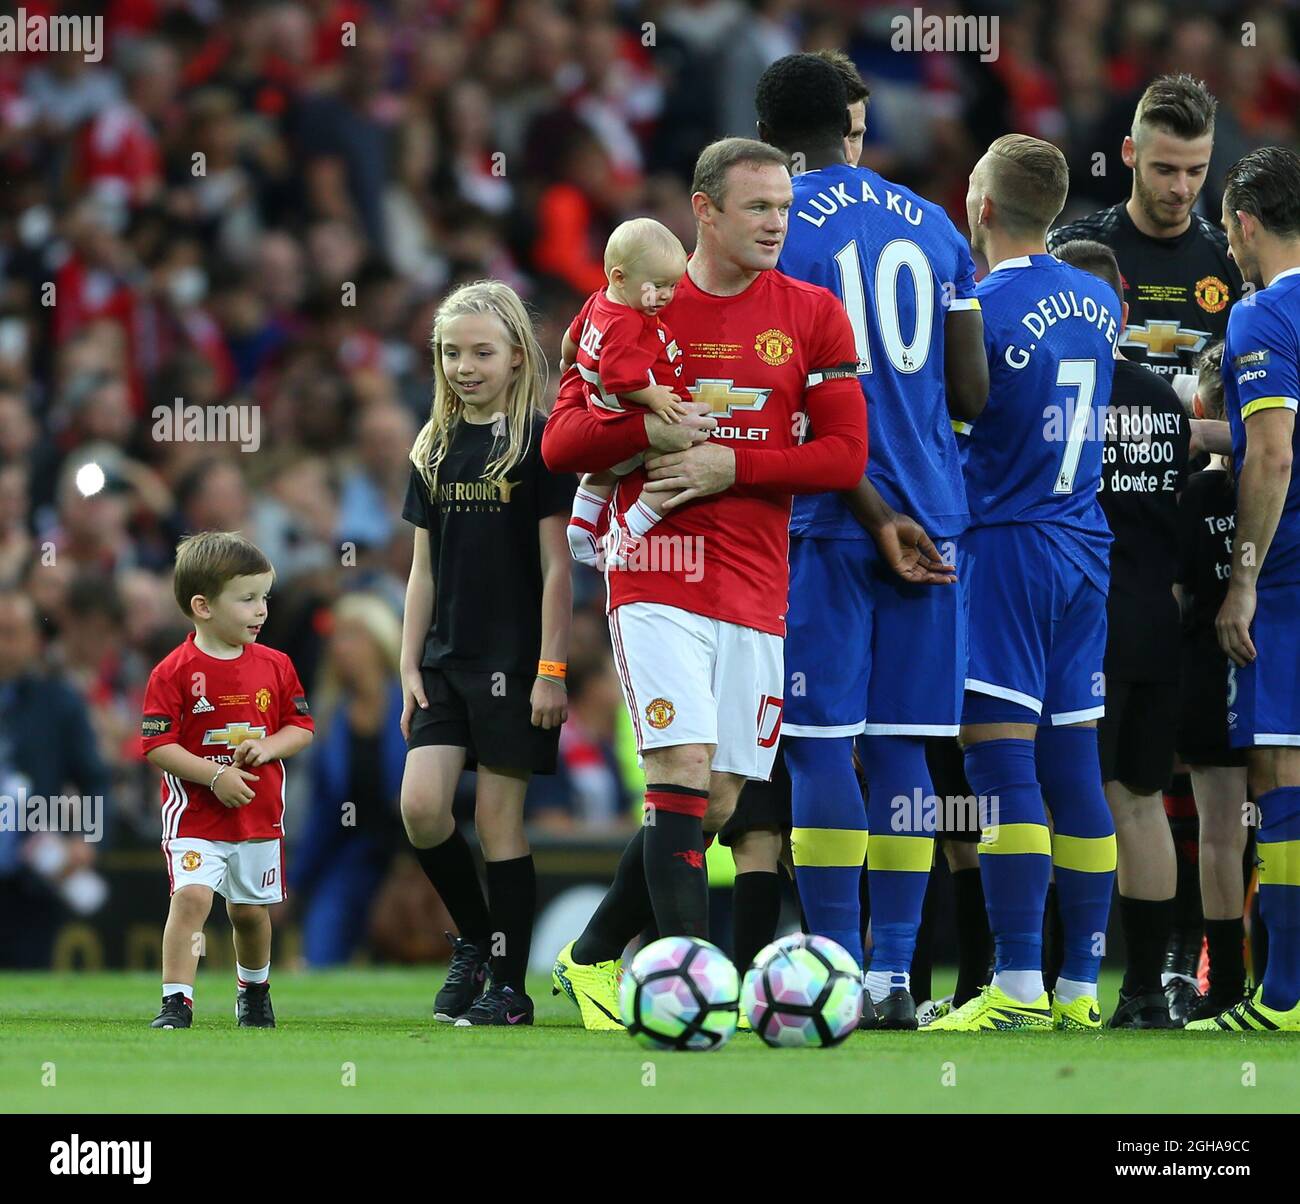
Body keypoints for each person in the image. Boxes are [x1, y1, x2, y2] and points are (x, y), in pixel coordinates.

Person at [542, 137, 867, 1031]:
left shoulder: (813, 314)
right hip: (653, 570)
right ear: (706, 209)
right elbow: (562, 444)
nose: (776, 224)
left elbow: (844, 456)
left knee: (718, 798)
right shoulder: (631, 302)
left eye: (785, 208)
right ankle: (696, 992)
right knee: (679, 766)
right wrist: (651, 439)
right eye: (759, 207)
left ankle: (591, 958)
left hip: (759, 583)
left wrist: (735, 464)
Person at [740, 52, 986, 1031]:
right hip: (934, 525)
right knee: (902, 756)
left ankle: (833, 973)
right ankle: (893, 979)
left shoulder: (774, 228)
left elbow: (783, 400)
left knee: (817, 751)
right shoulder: (929, 223)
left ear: (767, 136)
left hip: (820, 524)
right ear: (849, 124)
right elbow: (969, 392)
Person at [1048, 73, 1244, 1019]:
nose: (1179, 188)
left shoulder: (1227, 262)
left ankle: (1186, 969)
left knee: (1193, 761)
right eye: (1164, 168)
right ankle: (1072, 967)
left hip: (1196, 539)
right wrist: (1169, 429)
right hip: (1092, 531)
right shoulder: (1074, 251)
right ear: (1128, 154)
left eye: (1197, 170)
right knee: (1101, 771)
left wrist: (1190, 441)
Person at [926, 135, 1119, 1033]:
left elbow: (956, 419)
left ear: (984, 206)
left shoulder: (978, 304)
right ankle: (1080, 985)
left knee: (1000, 761)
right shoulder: (1098, 299)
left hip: (1005, 544)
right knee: (1074, 763)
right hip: (1085, 543)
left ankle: (1017, 985)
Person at [398, 280, 575, 1028]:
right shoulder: (432, 446)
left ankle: (510, 987)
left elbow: (559, 566)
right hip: (445, 662)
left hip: (517, 666)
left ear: (514, 359)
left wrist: (551, 668)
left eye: (480, 352)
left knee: (499, 824)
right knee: (422, 809)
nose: (464, 366)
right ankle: (474, 937)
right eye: (451, 352)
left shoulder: (538, 444)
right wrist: (409, 662)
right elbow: (422, 569)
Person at [1053, 238, 1192, 1027]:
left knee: (1061, 795)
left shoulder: (1062, 393)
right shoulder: (1165, 401)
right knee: (1141, 803)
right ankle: (1144, 993)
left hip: (1082, 619)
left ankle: (1047, 981)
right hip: (1156, 622)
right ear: (1126, 312)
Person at [1188, 146, 1300, 1032]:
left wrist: (1244, 582)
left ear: (1245, 224)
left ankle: (1289, 994)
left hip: (1294, 577)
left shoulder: (1263, 315)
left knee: (1279, 769)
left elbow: (1270, 455)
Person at [140, 531, 316, 1029]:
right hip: (194, 815)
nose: (261, 610)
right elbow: (158, 745)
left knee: (249, 913)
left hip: (257, 816)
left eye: (264, 597)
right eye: (248, 599)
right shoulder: (173, 672)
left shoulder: (276, 665)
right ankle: (177, 1001)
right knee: (191, 898)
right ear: (203, 606)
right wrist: (214, 776)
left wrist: (268, 747)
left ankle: (254, 990)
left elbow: (300, 729)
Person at [1175, 342, 1253, 1019]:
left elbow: (1175, 593)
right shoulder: (1282, 490)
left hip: (1207, 668)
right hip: (1273, 661)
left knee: (1220, 834)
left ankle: (1225, 985)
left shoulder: (1194, 494)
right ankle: (1278, 980)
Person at [562, 217, 690, 568]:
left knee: (612, 468)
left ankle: (582, 520)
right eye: (658, 286)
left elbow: (572, 338)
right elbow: (620, 376)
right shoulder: (627, 323)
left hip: (599, 406)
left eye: (673, 286)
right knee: (682, 465)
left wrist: (567, 362)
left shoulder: (598, 300)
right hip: (628, 412)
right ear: (619, 278)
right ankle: (629, 530)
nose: (666, 295)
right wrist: (656, 398)